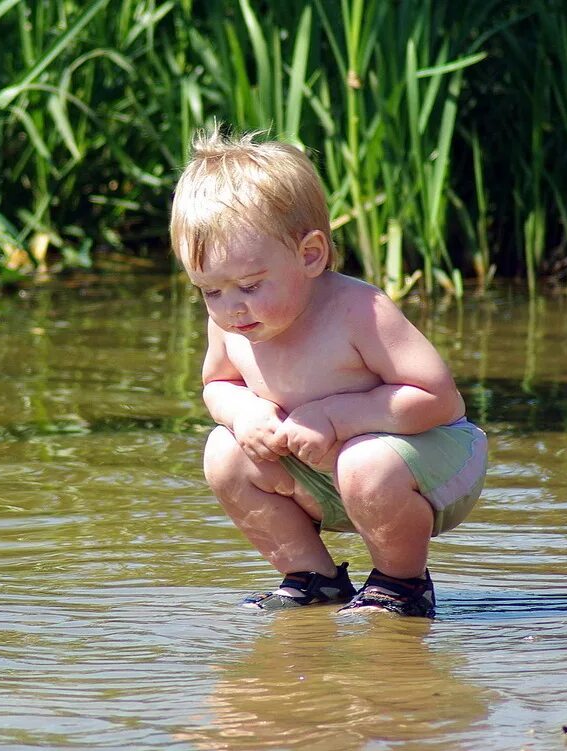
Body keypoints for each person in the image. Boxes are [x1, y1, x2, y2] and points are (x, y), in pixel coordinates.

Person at [169, 126, 488, 617]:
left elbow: (439, 400)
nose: (231, 307)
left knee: (365, 462)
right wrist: (244, 412)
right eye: (210, 291)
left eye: (250, 285)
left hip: (429, 463)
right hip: (323, 473)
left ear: (310, 255)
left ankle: (401, 585)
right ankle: (313, 578)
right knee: (222, 451)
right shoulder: (233, 324)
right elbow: (217, 384)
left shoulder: (358, 311)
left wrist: (336, 418)